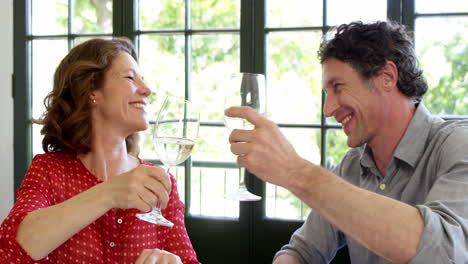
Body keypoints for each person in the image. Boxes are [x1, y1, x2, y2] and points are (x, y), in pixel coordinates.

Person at [226, 20, 468, 263]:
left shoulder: (458, 145)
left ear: (387, 76)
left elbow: (444, 252)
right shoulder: (353, 166)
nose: (328, 109)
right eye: (327, 93)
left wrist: (295, 171)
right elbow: (302, 251)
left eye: (338, 87)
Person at [0, 38, 199, 264]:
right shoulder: (49, 170)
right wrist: (108, 193)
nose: (147, 90)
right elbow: (10, 250)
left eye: (143, 79)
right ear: (91, 91)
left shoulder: (160, 184)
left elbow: (188, 260)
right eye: (130, 77)